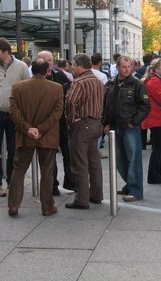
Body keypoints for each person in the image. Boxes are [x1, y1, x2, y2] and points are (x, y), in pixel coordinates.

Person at [8, 59, 63, 217]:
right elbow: (57, 113)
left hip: (26, 136)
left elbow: (13, 110)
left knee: (18, 170)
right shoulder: (56, 88)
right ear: (47, 71)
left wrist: (28, 129)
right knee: (47, 171)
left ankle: (13, 205)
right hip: (47, 136)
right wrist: (41, 129)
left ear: (32, 70)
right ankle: (47, 206)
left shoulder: (18, 87)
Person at [0, 38, 29, 197]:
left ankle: (11, 180)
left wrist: (21, 111)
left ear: (6, 51)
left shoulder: (21, 67)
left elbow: (27, 90)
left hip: (13, 114)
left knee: (13, 150)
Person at [103, 55, 150, 202]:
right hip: (115, 127)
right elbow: (105, 106)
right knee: (119, 159)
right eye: (124, 66)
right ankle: (129, 184)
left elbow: (145, 106)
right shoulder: (111, 83)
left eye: (129, 66)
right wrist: (106, 123)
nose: (127, 69)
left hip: (129, 127)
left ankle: (136, 190)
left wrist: (134, 122)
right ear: (117, 67)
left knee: (133, 158)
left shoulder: (137, 84)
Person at [64, 54, 106, 209]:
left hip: (82, 124)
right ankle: (96, 194)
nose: (73, 68)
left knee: (80, 163)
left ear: (80, 65)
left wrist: (71, 120)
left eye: (74, 65)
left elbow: (70, 102)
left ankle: (82, 199)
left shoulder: (79, 82)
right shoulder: (98, 81)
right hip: (96, 123)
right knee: (94, 161)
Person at [37, 50, 75, 194]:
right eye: (46, 60)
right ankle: (53, 184)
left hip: (61, 119)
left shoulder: (59, 74)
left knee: (68, 151)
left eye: (51, 60)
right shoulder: (36, 75)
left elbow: (70, 87)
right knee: (49, 154)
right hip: (46, 120)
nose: (49, 63)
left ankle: (70, 181)